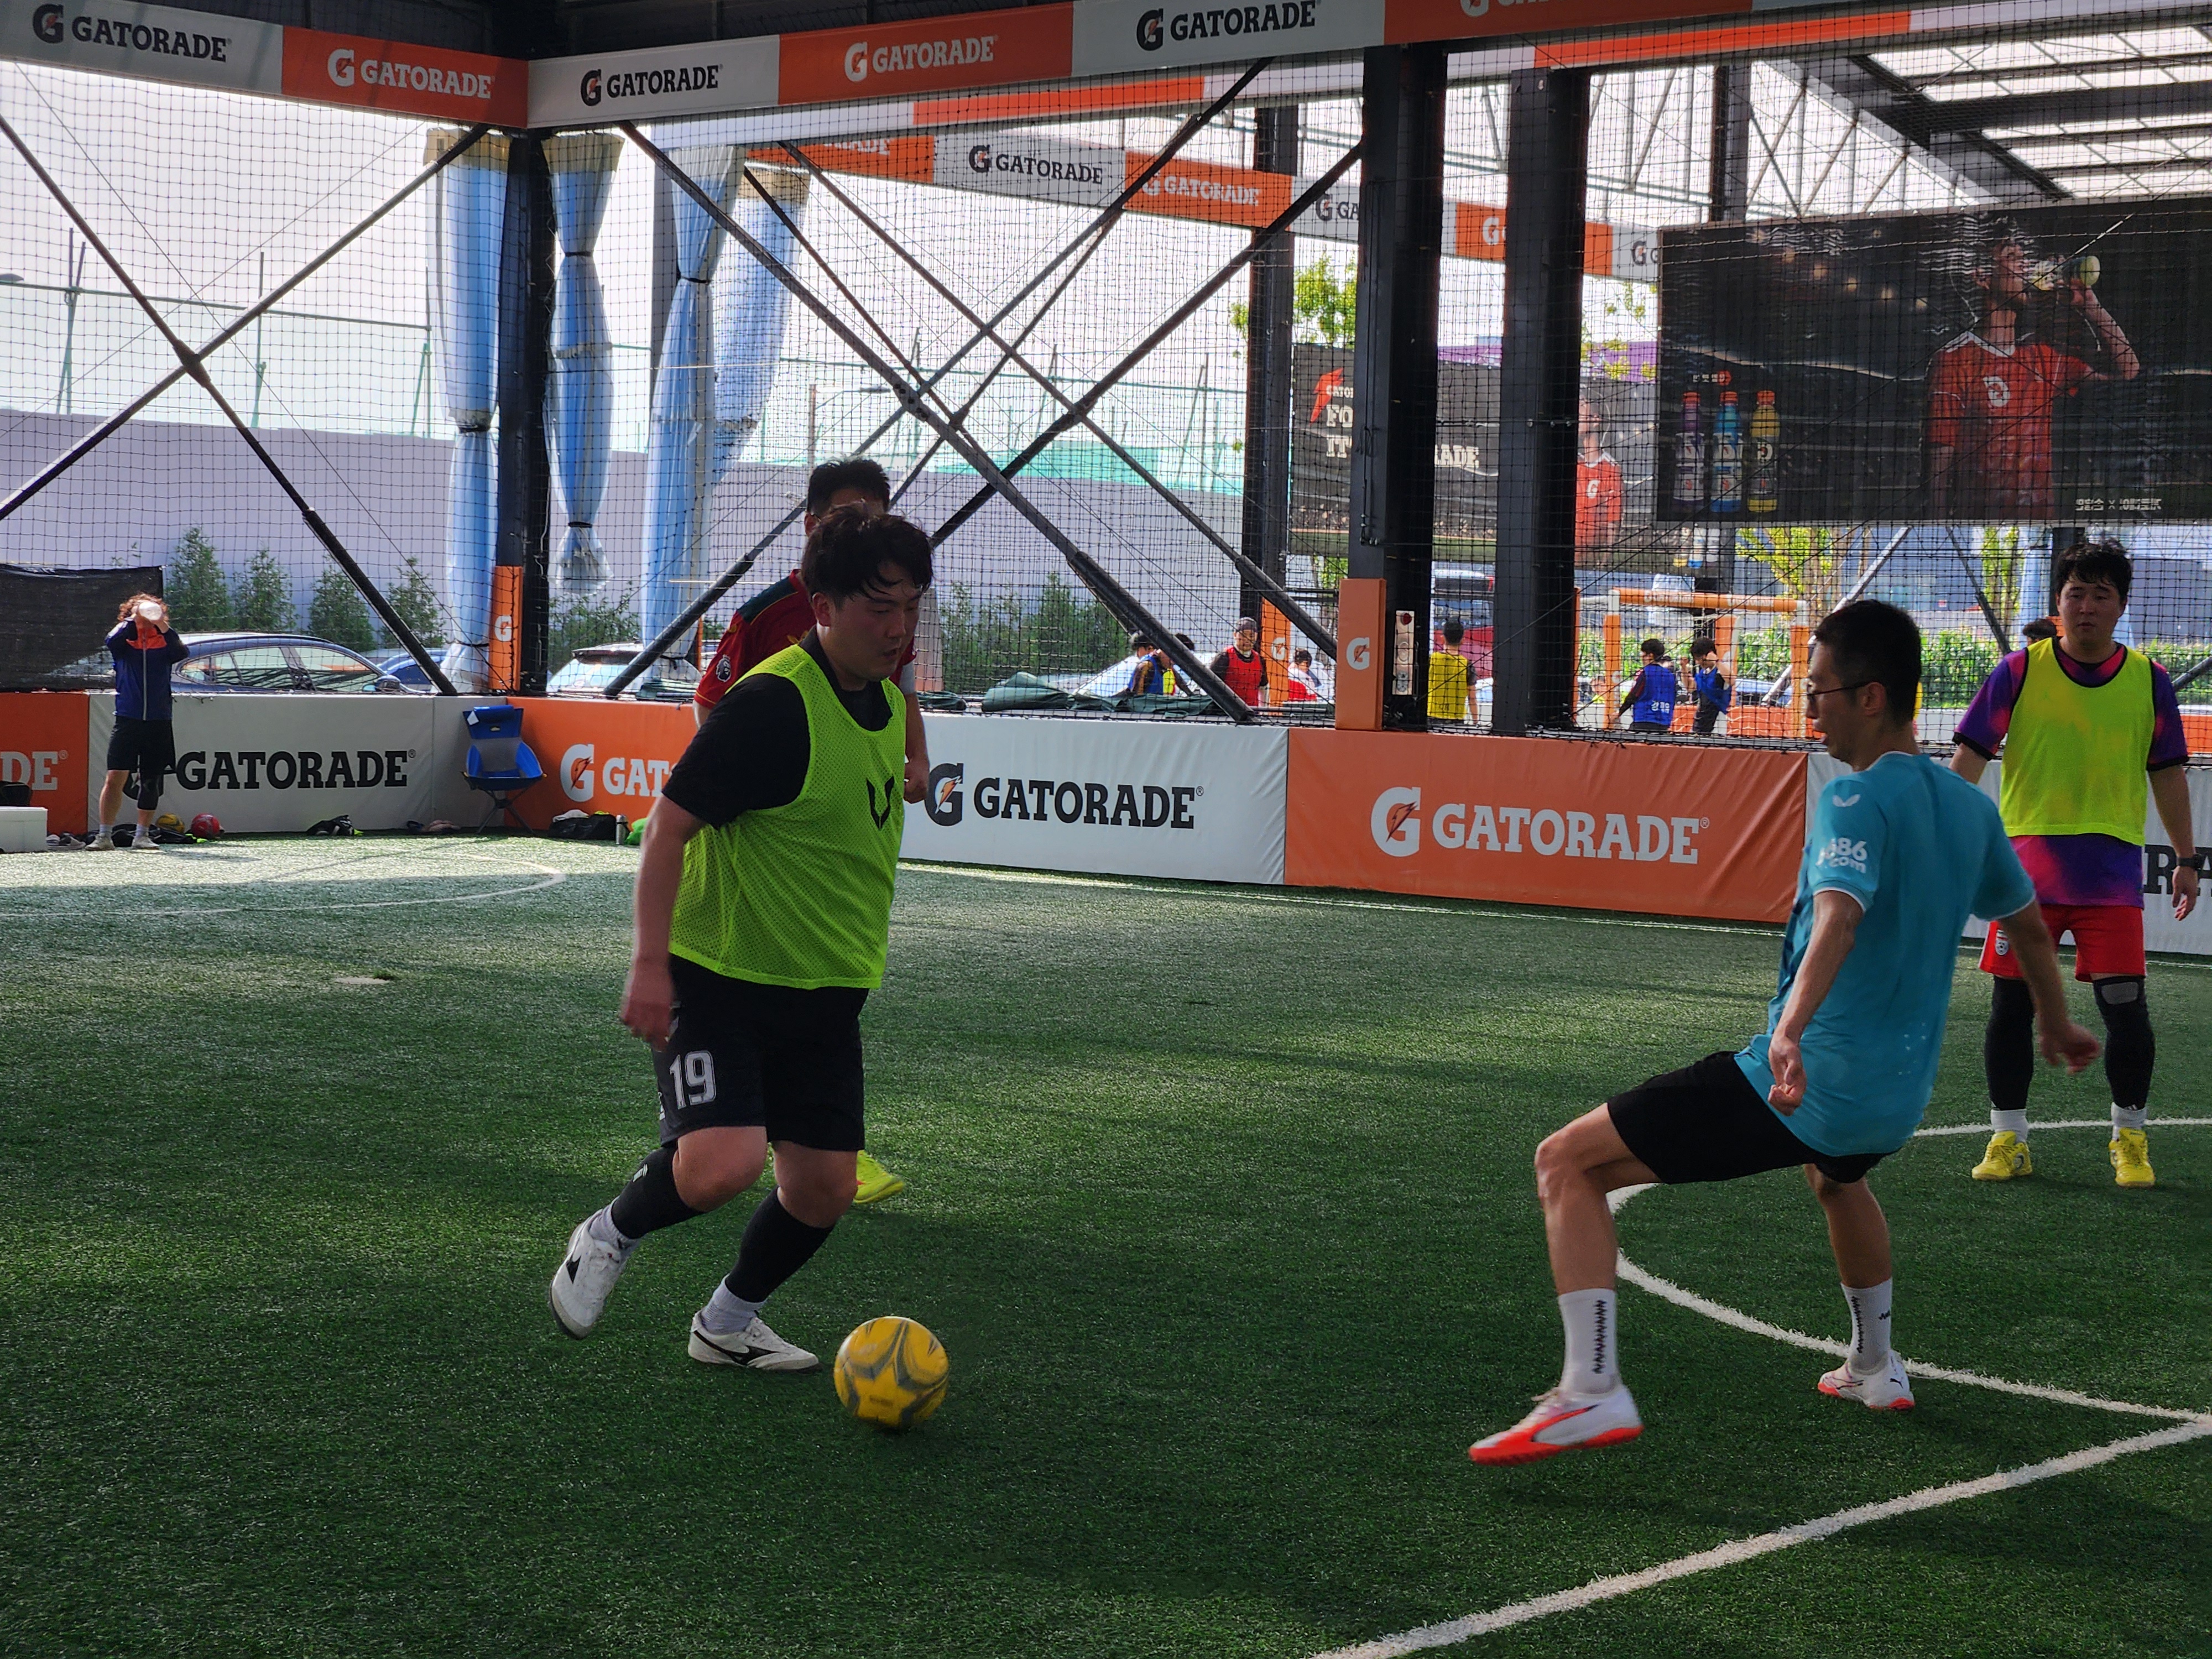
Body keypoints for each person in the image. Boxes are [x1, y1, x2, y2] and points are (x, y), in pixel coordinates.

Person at [1470, 601, 2098, 1465]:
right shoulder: (1968, 808)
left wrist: (1789, 1032)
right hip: (1894, 1102)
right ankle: (1875, 1365)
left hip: (1812, 1085)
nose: (1811, 709)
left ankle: (1591, 1388)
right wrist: (2056, 1020)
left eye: (1820, 690)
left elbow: (1839, 915)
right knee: (1838, 1179)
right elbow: (2027, 925)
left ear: (1871, 696)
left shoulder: (1853, 797)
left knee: (1565, 1163)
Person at [549, 507, 928, 1370]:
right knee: (721, 1166)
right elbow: (665, 828)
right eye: (880, 608)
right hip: (720, 978)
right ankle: (607, 1234)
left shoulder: (886, 695)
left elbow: (897, 733)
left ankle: (726, 1324)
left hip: (827, 991)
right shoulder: (771, 704)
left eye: (910, 607)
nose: (898, 628)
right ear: (823, 608)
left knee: (825, 1190)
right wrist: (650, 967)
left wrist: (917, 763)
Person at [693, 459, 914, 1207]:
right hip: (764, 827)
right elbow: (712, 700)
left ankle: (821, 1141)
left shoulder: (886, 608)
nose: (865, 531)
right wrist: (728, 783)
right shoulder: (768, 613)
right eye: (850, 517)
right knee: (760, 972)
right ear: (813, 524)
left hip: (836, 816)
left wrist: (913, 760)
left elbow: (898, 694)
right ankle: (746, 1132)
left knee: (828, 966)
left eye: (876, 517)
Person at [1952, 539, 2196, 1189]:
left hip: (2109, 879)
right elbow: (1969, 756)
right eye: (2075, 594)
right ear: (2057, 603)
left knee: (2126, 1009)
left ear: (2121, 605)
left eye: (2100, 595)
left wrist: (2186, 858)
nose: (2086, 606)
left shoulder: (2149, 680)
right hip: (2023, 878)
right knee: (2010, 1010)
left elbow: (2168, 773)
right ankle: (2008, 1138)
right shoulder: (2016, 671)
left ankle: (2130, 1139)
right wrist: (1942, 834)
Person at [1926, 227, 2138, 518]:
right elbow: (1940, 454)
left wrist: (2091, 307)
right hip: (1979, 519)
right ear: (1982, 277)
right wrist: (1936, 522)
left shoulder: (2042, 355)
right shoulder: (1954, 359)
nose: (2025, 265)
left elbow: (2127, 369)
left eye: (2024, 258)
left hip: (2039, 522)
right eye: (2012, 257)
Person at [91, 593, 189, 853]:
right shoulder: (124, 642)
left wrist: (161, 624)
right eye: (141, 612)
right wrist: (134, 618)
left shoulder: (165, 643)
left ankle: (142, 836)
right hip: (128, 718)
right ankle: (104, 836)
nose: (148, 617)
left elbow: (181, 651)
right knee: (115, 777)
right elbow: (111, 640)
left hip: (158, 720)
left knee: (151, 779)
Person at [1575, 396, 1624, 551]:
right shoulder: (1574, 464)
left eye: (1582, 406)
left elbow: (1613, 519)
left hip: (1592, 553)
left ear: (1595, 420)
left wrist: (1606, 558)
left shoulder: (1610, 468)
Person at [1616, 638, 1677, 733]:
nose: (1641, 656)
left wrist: (1619, 712)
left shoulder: (1645, 673)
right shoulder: (1670, 676)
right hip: (1664, 721)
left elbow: (1634, 695)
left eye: (1643, 653)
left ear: (1650, 655)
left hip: (1644, 719)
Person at [1209, 617, 1269, 707]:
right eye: (1243, 635)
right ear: (1235, 635)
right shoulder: (1225, 656)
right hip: (1226, 712)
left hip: (1253, 712)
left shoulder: (1260, 660)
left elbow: (1263, 687)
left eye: (1251, 636)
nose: (1247, 639)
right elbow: (1209, 684)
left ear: (1256, 637)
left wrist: (1263, 711)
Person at [1688, 634, 1734, 736]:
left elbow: (1732, 680)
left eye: (1700, 658)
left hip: (1716, 726)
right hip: (1699, 725)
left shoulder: (1721, 670)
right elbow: (1691, 688)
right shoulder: (1702, 673)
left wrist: (1716, 661)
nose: (1698, 662)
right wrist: (1684, 669)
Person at [1427, 619, 1472, 722]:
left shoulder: (1432, 659)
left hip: (1433, 716)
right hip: (1456, 718)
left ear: (1443, 639)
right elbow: (1472, 697)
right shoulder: (1467, 664)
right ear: (1463, 641)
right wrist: (1476, 722)